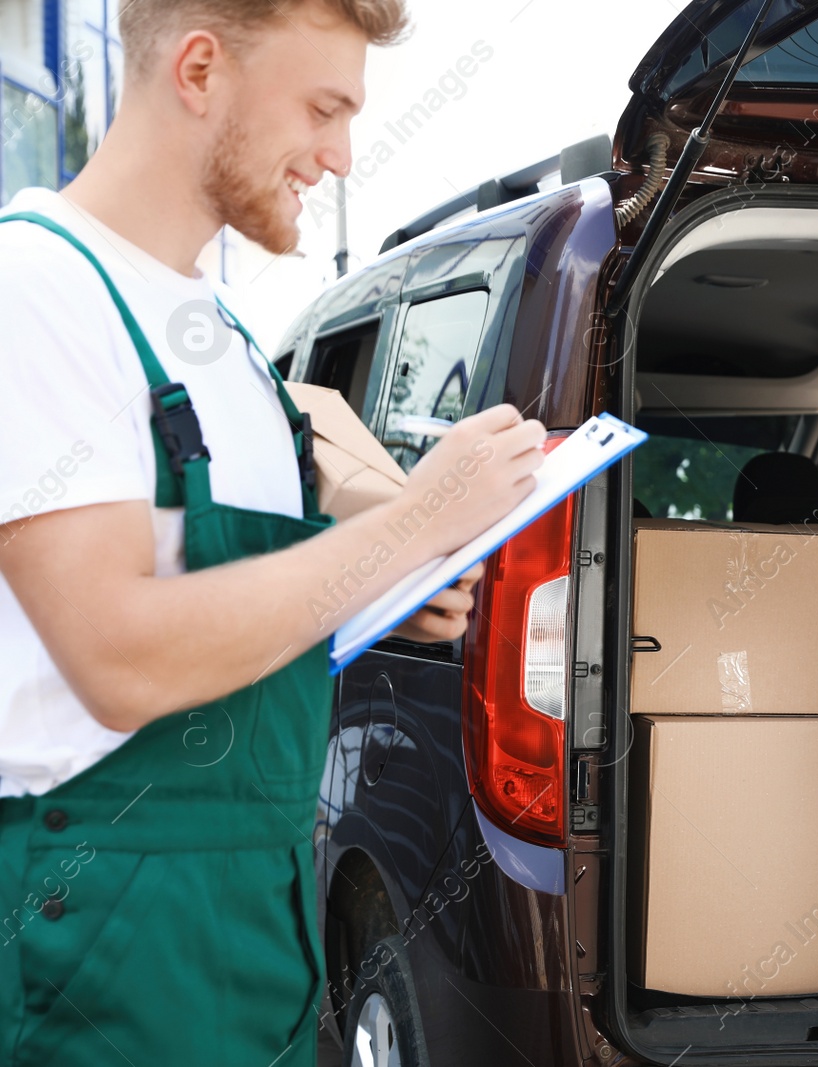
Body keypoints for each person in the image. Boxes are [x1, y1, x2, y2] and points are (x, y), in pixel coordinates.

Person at [0, 2, 549, 1063]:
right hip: (108, 943)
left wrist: (394, 584)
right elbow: (117, 649)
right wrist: (417, 518)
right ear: (199, 70)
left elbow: (281, 585)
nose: (341, 156)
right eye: (323, 107)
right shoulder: (39, 290)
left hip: (263, 921)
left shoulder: (230, 345)